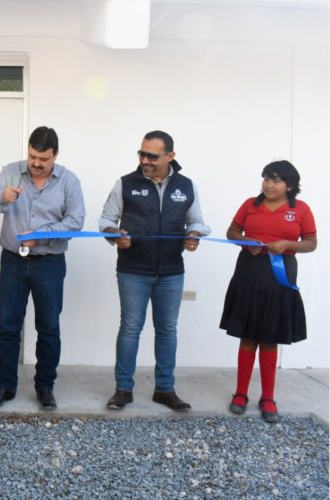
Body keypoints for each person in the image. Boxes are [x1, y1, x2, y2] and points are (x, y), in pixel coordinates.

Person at [98, 130, 210, 412]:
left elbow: (197, 221)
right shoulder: (125, 184)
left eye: (152, 155)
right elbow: (106, 221)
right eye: (141, 153)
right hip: (132, 270)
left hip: (172, 272)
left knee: (167, 331)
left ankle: (165, 389)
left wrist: (194, 234)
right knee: (130, 329)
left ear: (170, 156)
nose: (145, 159)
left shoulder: (186, 186)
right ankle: (123, 389)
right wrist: (114, 234)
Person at [0, 126, 85, 411]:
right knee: (8, 327)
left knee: (49, 328)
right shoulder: (12, 171)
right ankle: (4, 385)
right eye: (32, 156)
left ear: (55, 156)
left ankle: (45, 387)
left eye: (44, 159)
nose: (37, 164)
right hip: (14, 261)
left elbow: (75, 221)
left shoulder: (68, 181)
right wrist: (3, 196)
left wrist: (44, 234)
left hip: (49, 263)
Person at [220, 160, 316, 423]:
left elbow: (311, 243)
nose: (269, 184)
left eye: (275, 180)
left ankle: (268, 397)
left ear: (290, 185)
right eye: (266, 178)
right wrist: (245, 240)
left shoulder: (301, 209)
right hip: (249, 274)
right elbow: (231, 231)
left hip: (280, 277)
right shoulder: (251, 204)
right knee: (248, 335)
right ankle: (240, 394)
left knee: (270, 336)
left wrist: (287, 244)